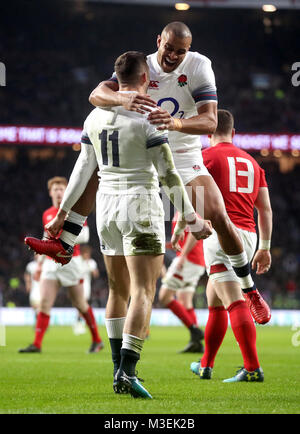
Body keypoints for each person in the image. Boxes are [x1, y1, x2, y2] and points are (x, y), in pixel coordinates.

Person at [34, 21, 270, 325]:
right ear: (159, 41)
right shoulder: (142, 66)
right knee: (94, 167)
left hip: (182, 154)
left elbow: (210, 121)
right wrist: (122, 97)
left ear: (188, 50)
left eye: (180, 51)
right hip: (144, 152)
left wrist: (176, 124)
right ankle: (66, 243)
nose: (172, 55)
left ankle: (249, 289)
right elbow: (96, 94)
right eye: (168, 47)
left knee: (219, 215)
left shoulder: (199, 67)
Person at [27, 51, 212, 398]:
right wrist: (191, 217)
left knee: (117, 291)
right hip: (140, 205)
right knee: (144, 290)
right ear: (145, 79)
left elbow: (82, 170)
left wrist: (62, 214)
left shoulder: (94, 117)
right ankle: (127, 371)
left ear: (116, 77)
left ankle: (117, 369)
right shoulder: (149, 118)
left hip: (106, 209)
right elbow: (170, 175)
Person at [187, 109, 272, 382]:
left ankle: (251, 368)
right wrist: (265, 247)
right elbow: (266, 210)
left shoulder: (206, 157)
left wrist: (182, 225)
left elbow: (195, 198)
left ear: (208, 132)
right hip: (248, 235)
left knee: (235, 301)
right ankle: (205, 365)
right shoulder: (252, 163)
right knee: (214, 300)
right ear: (233, 133)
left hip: (221, 234)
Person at [20, 177, 103, 354]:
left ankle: (97, 340)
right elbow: (45, 239)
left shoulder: (75, 210)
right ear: (50, 192)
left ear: (67, 191)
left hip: (72, 262)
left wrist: (61, 238)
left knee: (80, 304)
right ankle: (37, 344)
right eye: (55, 189)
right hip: (50, 263)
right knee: (44, 303)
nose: (58, 192)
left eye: (61, 189)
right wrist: (40, 263)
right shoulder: (47, 213)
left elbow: (85, 236)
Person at [159, 211, 206, 353]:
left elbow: (196, 230)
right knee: (185, 302)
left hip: (188, 260)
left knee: (164, 297)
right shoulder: (183, 207)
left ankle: (195, 330)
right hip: (196, 261)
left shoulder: (190, 206)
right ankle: (196, 343)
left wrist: (183, 256)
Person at [73, 245, 100, 335]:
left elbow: (96, 275)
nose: (87, 256)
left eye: (88, 254)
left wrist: (91, 267)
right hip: (78, 285)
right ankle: (79, 324)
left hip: (86, 286)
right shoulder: (78, 261)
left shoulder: (91, 262)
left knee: (82, 305)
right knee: (82, 304)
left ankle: (78, 323)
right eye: (85, 254)